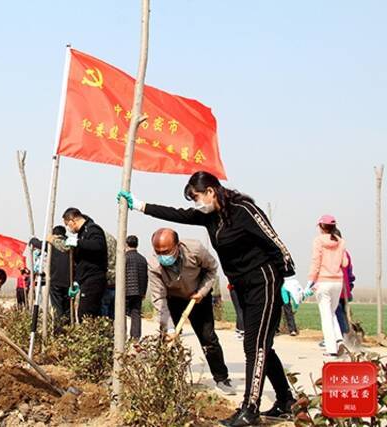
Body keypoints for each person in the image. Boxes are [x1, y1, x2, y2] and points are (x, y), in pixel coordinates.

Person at [118, 171, 298, 426]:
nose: (196, 204)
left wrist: (290, 275)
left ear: (211, 191)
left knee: (254, 346)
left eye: (197, 197)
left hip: (264, 280)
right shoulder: (210, 217)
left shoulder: (243, 209)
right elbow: (177, 214)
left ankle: (250, 409)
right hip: (243, 286)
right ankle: (286, 401)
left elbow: (273, 240)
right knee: (262, 345)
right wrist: (141, 206)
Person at [148, 228, 236, 396]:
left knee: (208, 338)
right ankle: (165, 381)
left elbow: (212, 270)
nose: (162, 256)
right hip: (173, 299)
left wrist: (202, 292)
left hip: (197, 297)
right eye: (157, 252)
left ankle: (221, 378)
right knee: (167, 338)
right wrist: (170, 327)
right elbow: (159, 298)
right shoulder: (154, 265)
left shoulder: (195, 250)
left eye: (166, 251)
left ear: (178, 245)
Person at [307, 215, 348, 358]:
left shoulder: (318, 241)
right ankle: (339, 339)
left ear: (321, 227)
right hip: (337, 282)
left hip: (323, 282)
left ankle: (331, 350)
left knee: (326, 316)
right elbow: (344, 263)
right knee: (331, 313)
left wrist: (310, 282)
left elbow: (315, 262)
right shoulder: (341, 242)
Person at [62, 208, 107, 320]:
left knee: (87, 315)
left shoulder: (92, 229)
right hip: (85, 279)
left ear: (73, 220)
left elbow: (98, 245)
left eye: (68, 224)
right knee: (83, 313)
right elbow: (82, 262)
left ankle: (92, 336)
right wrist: (77, 281)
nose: (68, 228)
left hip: (94, 279)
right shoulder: (82, 233)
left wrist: (78, 243)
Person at [45, 226, 71, 329]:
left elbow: (39, 244)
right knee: (67, 308)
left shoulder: (52, 244)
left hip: (55, 281)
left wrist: (32, 240)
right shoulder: (69, 244)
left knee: (57, 307)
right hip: (69, 281)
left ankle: (59, 330)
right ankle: (68, 328)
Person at [125, 235, 148, 340]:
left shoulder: (124, 257)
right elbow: (145, 277)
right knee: (136, 313)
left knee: (121, 314)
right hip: (139, 291)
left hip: (125, 291)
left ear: (126, 244)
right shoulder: (142, 259)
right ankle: (135, 337)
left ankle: (122, 335)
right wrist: (143, 292)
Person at [100, 231, 117, 319]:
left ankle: (105, 330)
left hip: (105, 280)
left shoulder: (100, 239)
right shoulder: (113, 240)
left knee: (104, 308)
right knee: (113, 311)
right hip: (115, 281)